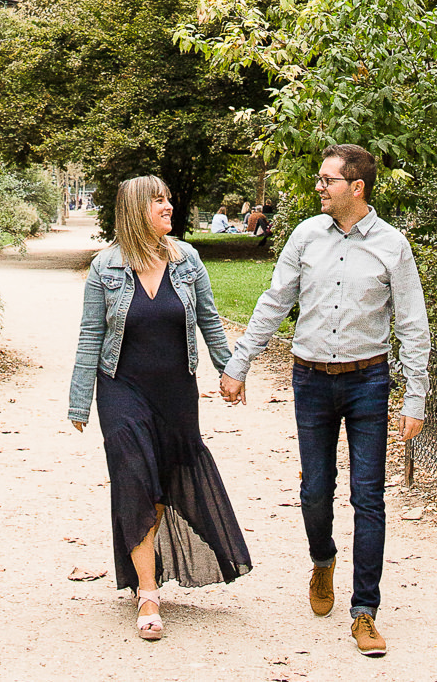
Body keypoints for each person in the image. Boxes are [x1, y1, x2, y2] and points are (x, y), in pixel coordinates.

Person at [220, 144, 430, 660]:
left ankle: (365, 612)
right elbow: (274, 301)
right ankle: (322, 559)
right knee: (315, 491)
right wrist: (239, 362)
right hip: (311, 379)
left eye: (327, 179)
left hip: (368, 381)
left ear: (356, 188)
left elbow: (411, 324)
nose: (319, 186)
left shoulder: (392, 246)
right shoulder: (305, 236)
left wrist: (416, 396)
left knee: (369, 496)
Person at [69, 175, 252, 642]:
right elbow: (92, 334)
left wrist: (229, 371)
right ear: (135, 209)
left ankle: (146, 577)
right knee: (134, 479)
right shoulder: (105, 268)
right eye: (159, 201)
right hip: (120, 389)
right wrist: (79, 401)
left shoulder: (187, 260)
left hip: (176, 392)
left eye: (168, 199)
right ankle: (148, 593)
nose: (169, 206)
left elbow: (209, 320)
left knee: (163, 481)